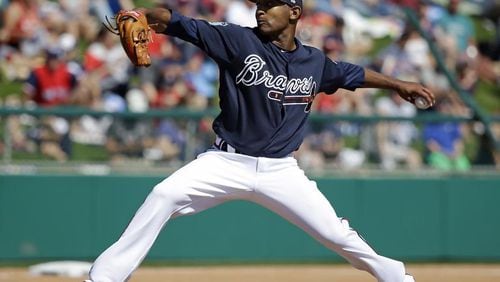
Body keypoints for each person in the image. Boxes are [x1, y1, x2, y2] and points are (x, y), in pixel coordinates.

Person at [86, 1, 435, 281]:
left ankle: (396, 278)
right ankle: (104, 277)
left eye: (270, 5)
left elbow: (352, 74)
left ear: (294, 12)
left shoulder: (313, 61)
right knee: (163, 195)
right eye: (259, 5)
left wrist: (398, 84)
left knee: (335, 233)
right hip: (224, 162)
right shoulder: (237, 39)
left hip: (281, 171)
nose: (261, 10)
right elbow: (178, 22)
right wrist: (144, 15)